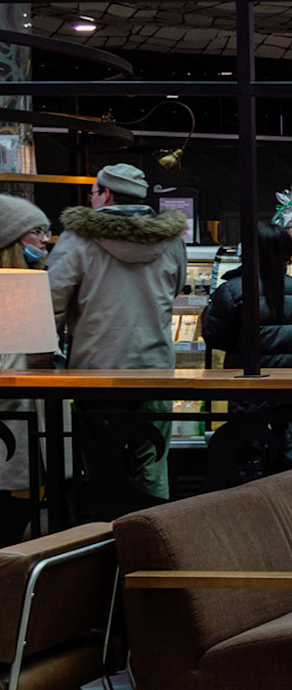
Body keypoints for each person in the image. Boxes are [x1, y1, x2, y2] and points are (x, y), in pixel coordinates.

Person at [48, 163, 188, 511]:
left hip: (97, 373)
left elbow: (52, 302)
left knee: (101, 469)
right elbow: (176, 289)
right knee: (152, 464)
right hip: (155, 370)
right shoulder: (170, 240)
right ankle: (154, 542)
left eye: (93, 193)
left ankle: (102, 548)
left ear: (106, 194)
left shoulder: (78, 238)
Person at [201, 223, 292, 481]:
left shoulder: (233, 290)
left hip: (248, 389)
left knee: (250, 458)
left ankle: (255, 515)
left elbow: (214, 337)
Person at [0, 195, 52, 544]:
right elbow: (38, 356)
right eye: (37, 231)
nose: (45, 239)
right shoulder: (23, 286)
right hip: (18, 412)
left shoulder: (28, 281)